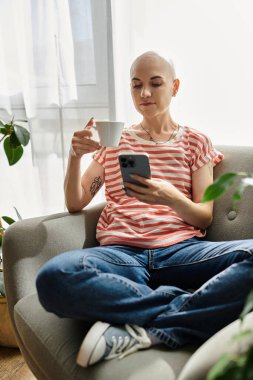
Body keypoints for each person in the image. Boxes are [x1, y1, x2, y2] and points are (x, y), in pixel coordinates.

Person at [36, 51, 253, 368]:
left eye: (155, 83)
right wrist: (74, 156)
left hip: (181, 250)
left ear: (175, 86)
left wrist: (171, 197)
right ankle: (178, 305)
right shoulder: (114, 140)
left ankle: (147, 326)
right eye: (136, 85)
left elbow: (203, 216)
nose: (145, 93)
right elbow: (77, 201)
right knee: (54, 277)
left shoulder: (195, 142)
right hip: (121, 252)